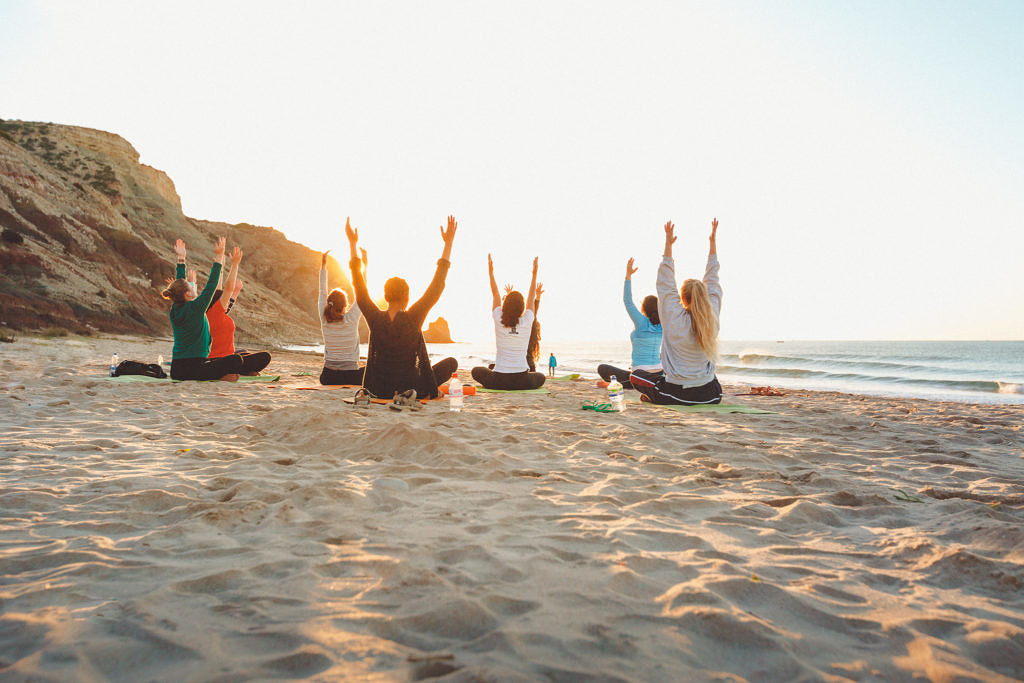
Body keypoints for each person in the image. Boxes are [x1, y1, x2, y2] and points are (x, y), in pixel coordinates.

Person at [346, 216, 458, 399]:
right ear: (406, 298)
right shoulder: (414, 317)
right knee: (451, 363)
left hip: (380, 389)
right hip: (411, 388)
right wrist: (448, 244)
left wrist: (352, 243)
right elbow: (437, 285)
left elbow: (358, 286)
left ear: (386, 296)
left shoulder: (375, 318)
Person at [630, 219, 723, 405]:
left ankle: (653, 397)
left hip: (677, 394)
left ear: (682, 299)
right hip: (712, 395)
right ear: (704, 297)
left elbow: (666, 284)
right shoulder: (712, 315)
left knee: (636, 376)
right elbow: (713, 279)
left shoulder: (673, 318)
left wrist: (668, 246)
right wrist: (713, 243)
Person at [162, 237, 244, 381]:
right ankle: (220, 377)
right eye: (190, 287)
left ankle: (222, 376)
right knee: (236, 360)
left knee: (231, 366)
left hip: (177, 370)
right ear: (187, 294)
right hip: (195, 368)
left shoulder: (175, 309)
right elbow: (211, 285)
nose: (193, 288)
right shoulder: (197, 307)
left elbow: (179, 285)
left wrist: (181, 258)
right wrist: (219, 256)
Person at [471, 255, 546, 390]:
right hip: (522, 380)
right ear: (522, 307)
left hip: (499, 380)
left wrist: (491, 273)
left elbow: (495, 295)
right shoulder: (527, 320)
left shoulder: (499, 318)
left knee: (476, 371)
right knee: (541, 377)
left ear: (505, 305)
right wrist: (534, 274)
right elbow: (531, 298)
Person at [597, 257, 663, 389]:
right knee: (634, 374)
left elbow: (627, 300)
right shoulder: (663, 325)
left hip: (640, 374)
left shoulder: (641, 322)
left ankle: (616, 384)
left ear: (643, 309)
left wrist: (628, 276)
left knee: (602, 368)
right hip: (659, 373)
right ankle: (631, 382)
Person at [203, 250, 272, 376]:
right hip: (218, 360)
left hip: (228, 356)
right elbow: (225, 289)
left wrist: (236, 291)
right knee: (238, 359)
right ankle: (238, 370)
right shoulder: (213, 314)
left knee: (252, 354)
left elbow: (226, 298)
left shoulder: (217, 314)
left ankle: (242, 369)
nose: (225, 300)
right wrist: (234, 264)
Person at [317, 247, 366, 385]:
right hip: (351, 377)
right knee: (372, 369)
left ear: (329, 303)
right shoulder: (351, 318)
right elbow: (362, 292)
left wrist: (323, 265)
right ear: (345, 305)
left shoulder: (324, 317)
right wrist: (365, 267)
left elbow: (322, 291)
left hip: (327, 377)